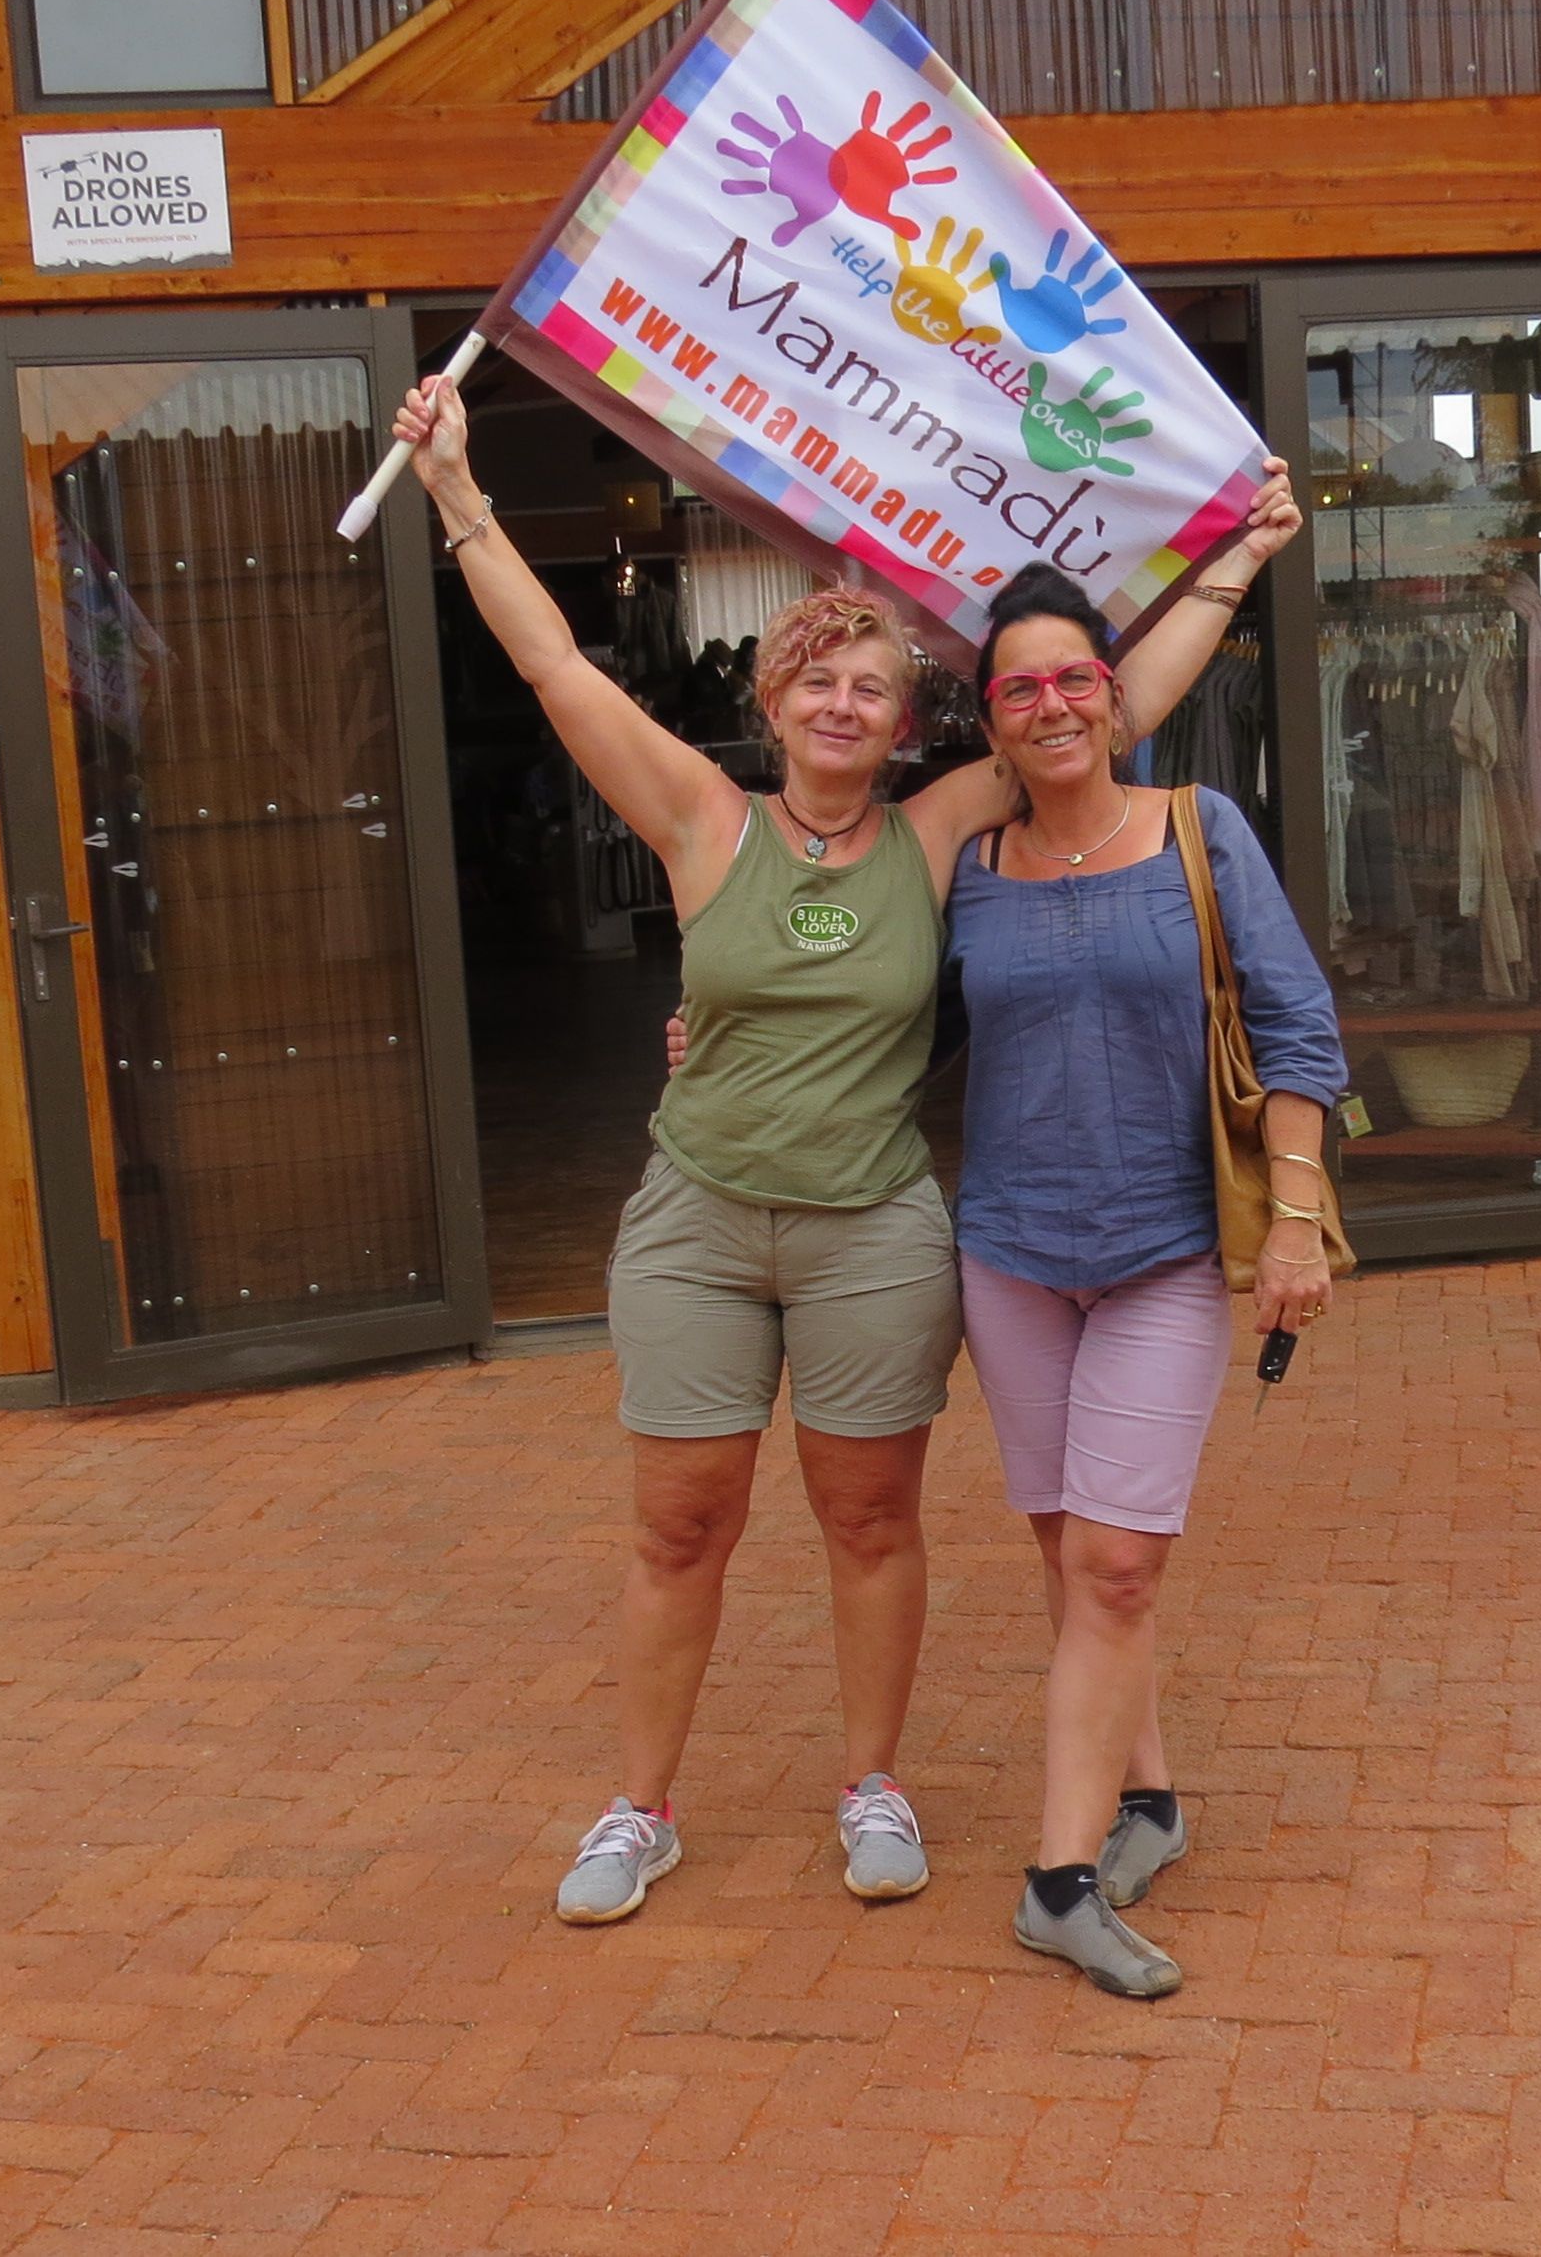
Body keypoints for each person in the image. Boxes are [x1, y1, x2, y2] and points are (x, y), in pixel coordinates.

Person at [391, 370, 1298, 1926]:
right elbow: (551, 668)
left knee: (868, 1518)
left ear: (903, 718)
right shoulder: (699, 821)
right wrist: (461, 497)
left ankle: (872, 1780)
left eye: (870, 686)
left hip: (873, 1226)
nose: (838, 704)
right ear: (771, 700)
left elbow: (1105, 705)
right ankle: (640, 1807)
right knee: (681, 1525)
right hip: (698, 1222)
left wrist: (1232, 565)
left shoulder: (945, 826)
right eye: (814, 677)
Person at [945, 562, 1346, 1999]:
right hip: (1009, 1254)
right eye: (1018, 688)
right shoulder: (969, 870)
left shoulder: (1200, 832)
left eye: (1073, 678)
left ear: (1115, 698)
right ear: (990, 722)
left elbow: (1298, 1027)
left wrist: (1294, 1221)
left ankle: (1058, 1881)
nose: (1049, 705)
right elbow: (876, 1020)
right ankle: (1150, 1803)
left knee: (1119, 1560)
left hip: (1166, 1250)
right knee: (1072, 1556)